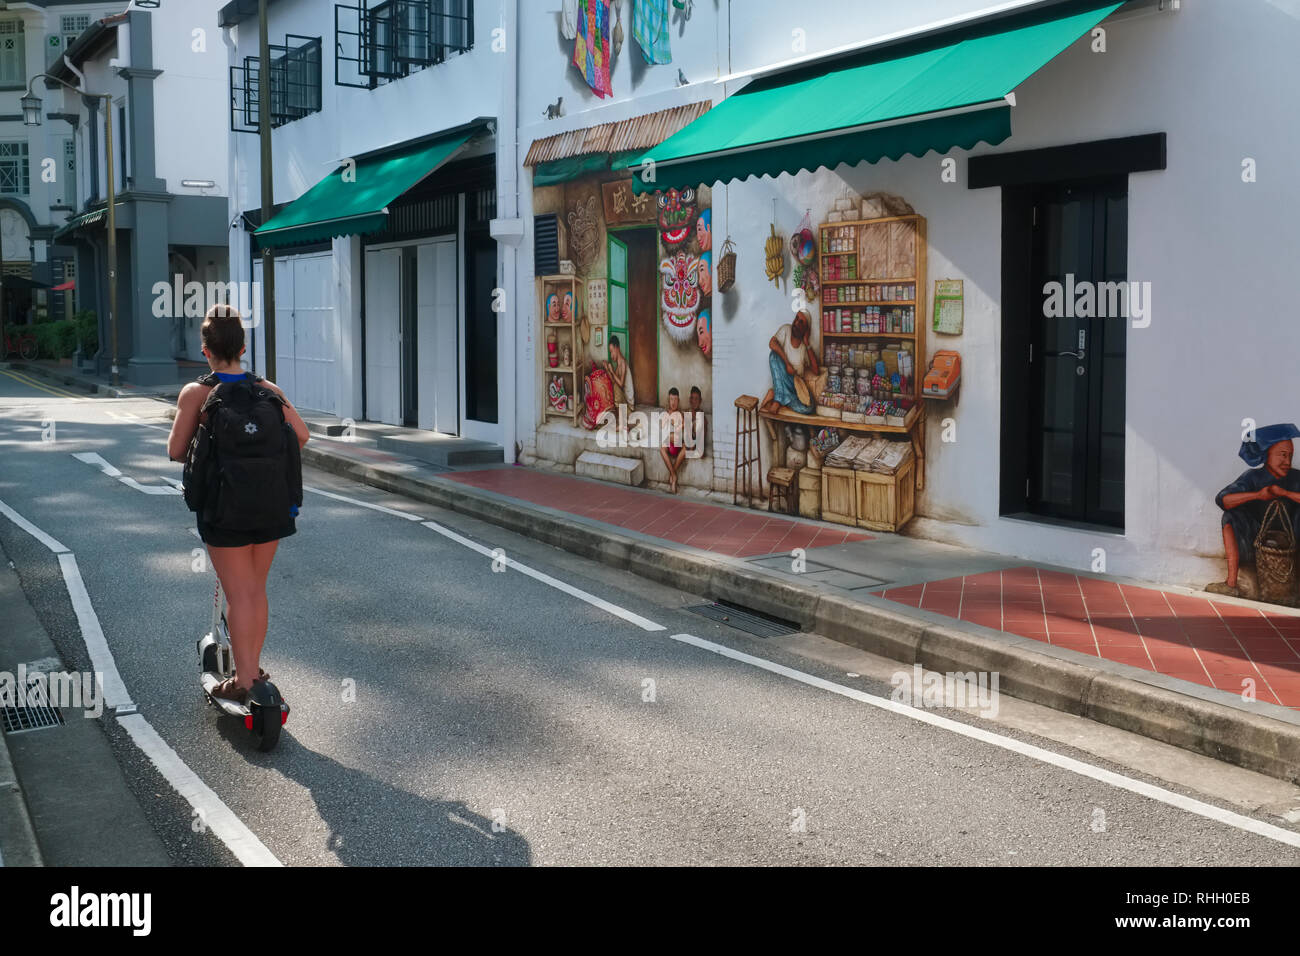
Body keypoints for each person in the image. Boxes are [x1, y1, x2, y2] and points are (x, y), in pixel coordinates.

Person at [167, 304, 310, 703]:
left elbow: (177, 450)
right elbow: (301, 436)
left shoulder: (197, 393)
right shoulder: (269, 390)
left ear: (205, 350)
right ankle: (250, 668)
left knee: (240, 593)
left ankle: (245, 681)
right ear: (243, 348)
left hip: (223, 509)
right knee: (253, 591)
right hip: (271, 505)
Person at [1208, 424, 1300, 599]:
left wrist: (1285, 493)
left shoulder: (1296, 478)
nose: (1287, 462)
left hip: (1293, 542)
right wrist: (1258, 495)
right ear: (1267, 455)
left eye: (1290, 456)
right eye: (1282, 455)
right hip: (1256, 543)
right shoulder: (1253, 477)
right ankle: (1231, 584)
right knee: (1230, 516)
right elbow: (1223, 499)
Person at [761, 310, 819, 415]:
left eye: (801, 322)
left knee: (809, 408)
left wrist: (806, 342)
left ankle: (777, 395)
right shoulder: (786, 330)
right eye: (796, 319)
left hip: (794, 385)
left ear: (806, 329)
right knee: (773, 355)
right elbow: (772, 343)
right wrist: (787, 364)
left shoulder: (804, 347)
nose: (796, 323)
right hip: (783, 376)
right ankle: (778, 400)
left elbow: (816, 370)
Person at [659, 387, 686, 493]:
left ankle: (672, 473)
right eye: (671, 399)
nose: (673, 402)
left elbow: (683, 427)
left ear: (678, 401)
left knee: (686, 448)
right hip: (669, 443)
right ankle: (674, 475)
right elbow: (662, 428)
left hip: (678, 444)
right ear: (668, 400)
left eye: (675, 400)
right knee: (662, 449)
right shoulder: (665, 414)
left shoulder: (680, 414)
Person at [601, 334, 635, 408]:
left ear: (617, 348)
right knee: (612, 386)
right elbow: (613, 380)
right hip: (624, 400)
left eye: (612, 351)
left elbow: (621, 384)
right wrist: (607, 369)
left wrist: (612, 371)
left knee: (615, 388)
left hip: (629, 404)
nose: (611, 355)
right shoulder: (619, 364)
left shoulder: (623, 363)